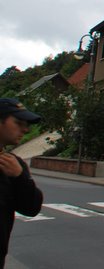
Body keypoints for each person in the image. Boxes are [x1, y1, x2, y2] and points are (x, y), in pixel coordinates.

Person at [0, 98, 44, 269]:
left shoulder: (14, 165)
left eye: (27, 125)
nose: (25, 130)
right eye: (18, 123)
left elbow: (31, 208)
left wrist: (19, 177)